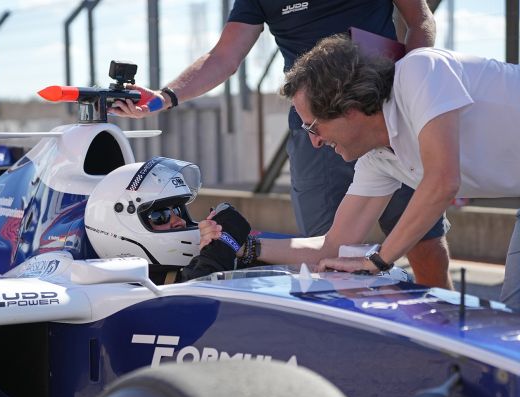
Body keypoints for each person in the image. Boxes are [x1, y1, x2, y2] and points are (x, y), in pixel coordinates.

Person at [112, 0, 451, 289]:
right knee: (329, 257)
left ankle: (447, 332)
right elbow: (225, 55)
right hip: (316, 123)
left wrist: (406, 91)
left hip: (383, 112)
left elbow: (420, 20)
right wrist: (164, 96)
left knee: (425, 242)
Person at [200, 34, 520, 310]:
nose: (314, 142)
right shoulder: (378, 159)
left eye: (313, 127)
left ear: (348, 109)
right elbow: (332, 246)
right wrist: (243, 245)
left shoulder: (420, 71)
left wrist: (378, 260)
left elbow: (442, 181)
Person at [84, 156, 251, 284]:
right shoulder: (116, 291)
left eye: (178, 210)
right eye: (160, 216)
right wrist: (216, 256)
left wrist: (243, 247)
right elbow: (193, 304)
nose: (180, 221)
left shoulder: (183, 272)